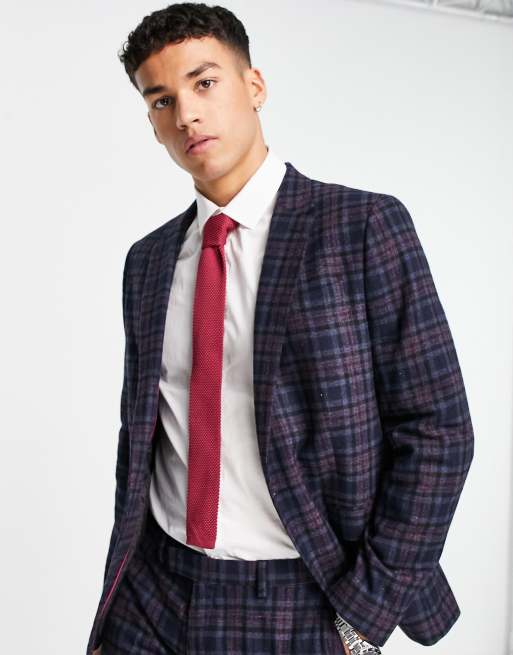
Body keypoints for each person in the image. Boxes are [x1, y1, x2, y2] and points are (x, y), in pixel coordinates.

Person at [86, 3, 475, 654]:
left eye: (204, 82)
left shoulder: (360, 229)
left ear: (254, 86)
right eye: (162, 100)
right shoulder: (147, 262)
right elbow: (144, 437)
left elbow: (438, 431)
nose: (186, 115)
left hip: (301, 596)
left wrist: (365, 612)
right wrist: (116, 602)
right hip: (155, 590)